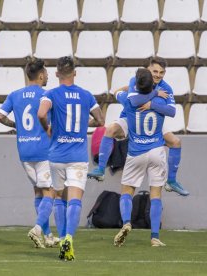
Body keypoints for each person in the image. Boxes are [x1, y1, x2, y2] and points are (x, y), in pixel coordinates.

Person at [88, 57, 189, 196]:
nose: (158, 75)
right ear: (147, 70)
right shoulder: (135, 81)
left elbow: (172, 111)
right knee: (110, 129)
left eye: (161, 72)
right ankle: (100, 170)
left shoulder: (166, 88)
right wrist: (154, 95)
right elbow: (135, 101)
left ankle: (171, 181)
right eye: (155, 71)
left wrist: (152, 105)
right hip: (129, 119)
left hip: (152, 124)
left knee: (176, 142)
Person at [38, 56, 104, 261]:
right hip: (77, 156)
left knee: (59, 197)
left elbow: (41, 113)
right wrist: (84, 123)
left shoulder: (51, 94)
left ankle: (61, 236)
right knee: (75, 199)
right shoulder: (86, 95)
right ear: (75, 73)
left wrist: (47, 128)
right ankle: (69, 238)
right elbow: (101, 120)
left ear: (57, 73)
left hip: (57, 155)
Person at [0, 59, 59, 248]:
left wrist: (17, 126)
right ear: (40, 75)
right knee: (50, 192)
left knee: (38, 191)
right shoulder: (48, 95)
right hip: (43, 150)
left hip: (24, 150)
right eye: (46, 73)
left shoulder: (15, 95)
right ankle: (38, 228)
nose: (47, 76)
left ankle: (47, 236)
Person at [113, 68, 176, 247]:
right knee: (156, 194)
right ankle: (154, 237)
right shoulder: (160, 98)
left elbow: (115, 92)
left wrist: (129, 86)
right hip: (157, 150)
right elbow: (171, 111)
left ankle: (126, 222)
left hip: (136, 151)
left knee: (127, 191)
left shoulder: (129, 100)